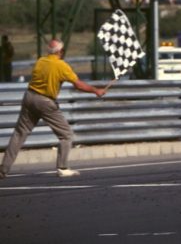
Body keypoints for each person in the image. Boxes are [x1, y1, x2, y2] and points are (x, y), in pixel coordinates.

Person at [0, 39, 106, 179]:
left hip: (29, 96)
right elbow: (78, 85)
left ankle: (3, 169)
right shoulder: (61, 66)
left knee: (19, 134)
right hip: (46, 101)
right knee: (66, 134)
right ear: (60, 51)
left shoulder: (40, 61)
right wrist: (96, 91)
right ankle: (62, 167)